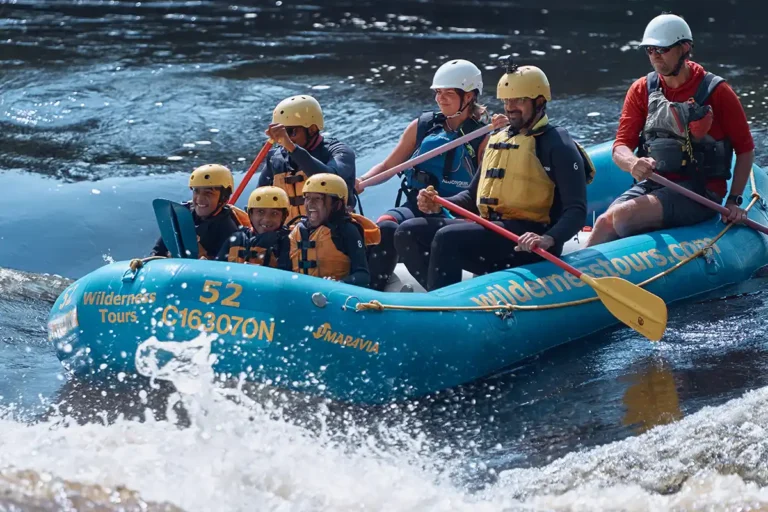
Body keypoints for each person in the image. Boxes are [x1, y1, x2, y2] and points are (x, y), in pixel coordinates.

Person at [394, 64, 592, 291]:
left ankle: (444, 307)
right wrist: (439, 201)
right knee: (407, 231)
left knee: (448, 237)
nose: (510, 108)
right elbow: (471, 195)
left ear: (539, 102)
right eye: (506, 101)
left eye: (518, 100)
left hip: (529, 242)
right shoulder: (499, 138)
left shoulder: (557, 143)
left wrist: (548, 239)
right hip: (494, 234)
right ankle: (441, 295)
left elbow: (576, 209)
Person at [586, 13, 755, 247]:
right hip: (656, 183)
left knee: (622, 216)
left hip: (701, 193)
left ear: (684, 48)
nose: (655, 57)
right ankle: (577, 279)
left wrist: (734, 201)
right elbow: (620, 147)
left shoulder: (717, 91)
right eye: (649, 51)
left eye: (661, 50)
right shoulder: (641, 90)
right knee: (605, 222)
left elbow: (745, 150)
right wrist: (632, 163)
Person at [355, 59, 491, 290]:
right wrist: (360, 182)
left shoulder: (484, 138)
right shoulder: (424, 126)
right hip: (416, 204)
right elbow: (389, 166)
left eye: (448, 93)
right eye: (438, 92)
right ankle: (372, 292)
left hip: (457, 211)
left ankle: (439, 293)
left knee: (410, 232)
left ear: (468, 96)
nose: (440, 98)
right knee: (386, 226)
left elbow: (482, 192)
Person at [258, 95, 357, 220]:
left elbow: (331, 179)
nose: (283, 139)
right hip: (290, 234)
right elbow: (259, 202)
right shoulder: (275, 159)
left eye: (290, 132)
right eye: (280, 133)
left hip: (332, 231)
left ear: (312, 129)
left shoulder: (340, 152)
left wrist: (292, 147)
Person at [289, 173, 380, 287]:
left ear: (337, 205)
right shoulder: (296, 231)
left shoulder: (346, 231)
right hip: (300, 294)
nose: (310, 204)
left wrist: (338, 284)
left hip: (334, 296)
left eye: (318, 198)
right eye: (307, 198)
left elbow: (363, 276)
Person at [150, 164, 251, 259]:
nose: (199, 199)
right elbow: (157, 252)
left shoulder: (229, 230)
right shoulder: (180, 216)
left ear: (224, 198)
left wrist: (204, 258)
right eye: (196, 191)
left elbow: (226, 269)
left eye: (208, 193)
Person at [216, 186, 291, 269]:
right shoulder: (237, 238)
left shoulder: (288, 242)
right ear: (250, 215)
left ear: (283, 217)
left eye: (274, 213)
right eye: (260, 212)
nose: (267, 219)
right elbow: (216, 270)